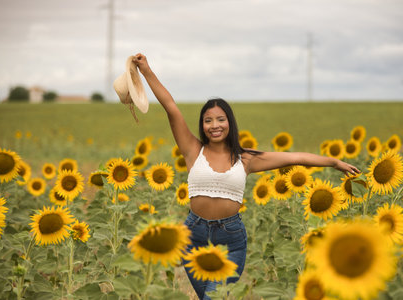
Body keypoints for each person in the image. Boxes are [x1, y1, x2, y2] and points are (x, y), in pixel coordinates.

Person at [132, 53, 360, 300]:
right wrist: (146, 70)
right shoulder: (192, 150)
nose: (214, 125)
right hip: (194, 236)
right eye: (208, 120)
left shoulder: (247, 159)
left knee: (213, 298)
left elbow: (294, 157)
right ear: (202, 125)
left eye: (221, 119)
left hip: (231, 240)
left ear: (230, 123)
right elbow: (170, 106)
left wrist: (334, 162)